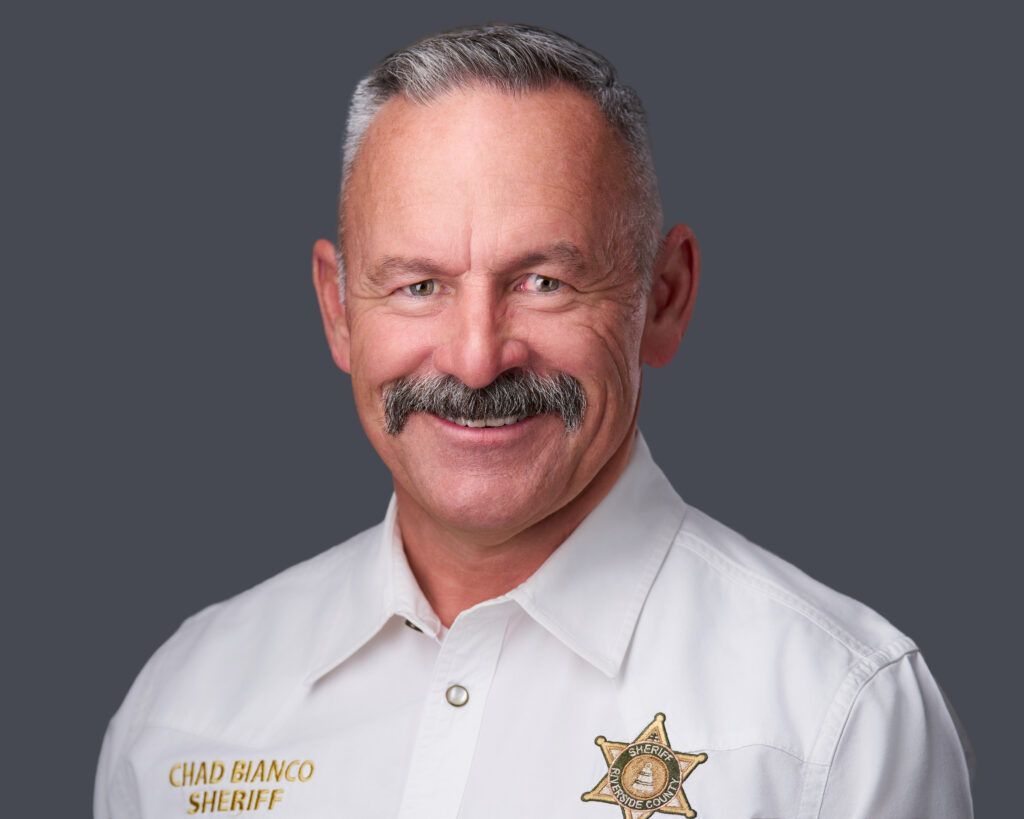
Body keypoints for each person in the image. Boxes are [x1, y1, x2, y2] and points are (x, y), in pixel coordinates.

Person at [94, 23, 973, 819]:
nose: (477, 360)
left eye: (543, 282)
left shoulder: (840, 719)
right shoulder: (183, 708)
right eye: (419, 285)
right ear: (337, 310)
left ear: (663, 299)